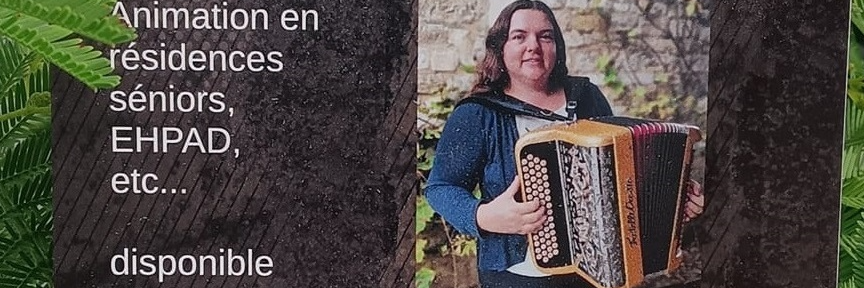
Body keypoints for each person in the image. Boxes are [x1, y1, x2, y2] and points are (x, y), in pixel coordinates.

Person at [424, 1, 705, 287]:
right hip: (519, 278)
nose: (533, 45)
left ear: (557, 47)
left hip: (595, 273)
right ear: (500, 48)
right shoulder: (478, 114)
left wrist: (677, 194)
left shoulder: (586, 96)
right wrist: (483, 216)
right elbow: (441, 188)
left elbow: (621, 174)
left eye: (545, 36)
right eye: (519, 36)